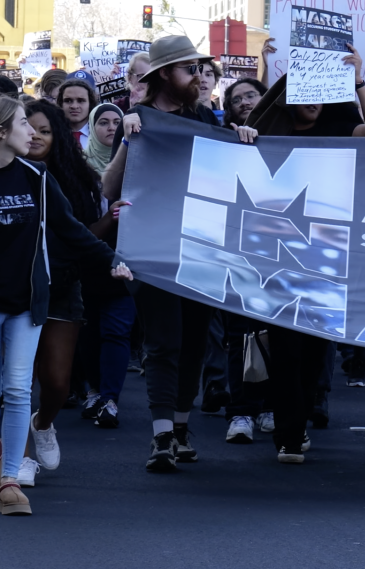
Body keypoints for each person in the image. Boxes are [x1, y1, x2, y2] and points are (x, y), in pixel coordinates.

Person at [101, 36, 259, 473]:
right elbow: (110, 191)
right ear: (164, 76)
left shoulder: (207, 119)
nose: (199, 77)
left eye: (201, 69)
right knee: (163, 342)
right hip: (153, 250)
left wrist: (242, 137)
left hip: (202, 248)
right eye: (189, 69)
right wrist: (129, 144)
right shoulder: (139, 121)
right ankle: (162, 436)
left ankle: (182, 427)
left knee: (193, 343)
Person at [245, 44, 365, 463]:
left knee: (313, 355)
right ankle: (289, 436)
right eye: (303, 95)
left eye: (320, 95)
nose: (313, 104)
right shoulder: (267, 137)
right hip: (279, 259)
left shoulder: (342, 133)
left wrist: (359, 82)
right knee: (286, 353)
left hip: (328, 260)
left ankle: (299, 421)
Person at [0, 97, 132, 516]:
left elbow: (71, 230)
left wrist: (110, 260)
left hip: (28, 301)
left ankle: (8, 479)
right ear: (2, 132)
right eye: (23, 124)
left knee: (20, 388)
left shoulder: (37, 178)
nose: (32, 132)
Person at [82, 103, 122, 177]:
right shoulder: (80, 162)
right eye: (104, 123)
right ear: (92, 128)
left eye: (117, 123)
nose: (112, 128)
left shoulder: (132, 159)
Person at [57, 80, 98, 149]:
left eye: (80, 100)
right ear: (61, 104)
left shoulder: (101, 134)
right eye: (68, 101)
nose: (74, 106)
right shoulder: (53, 135)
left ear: (90, 103)